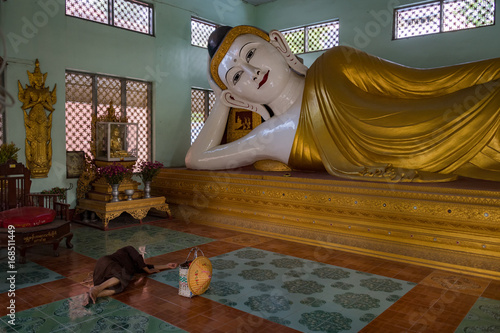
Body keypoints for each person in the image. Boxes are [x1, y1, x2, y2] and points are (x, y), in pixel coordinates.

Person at [185, 25, 500, 183]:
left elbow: (423, 85)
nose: (252, 73)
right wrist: (222, 100)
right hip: (447, 138)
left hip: (437, 114)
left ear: (278, 45)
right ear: (238, 95)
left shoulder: (336, 62)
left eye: (251, 54)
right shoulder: (270, 135)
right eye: (237, 76)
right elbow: (196, 159)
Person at [85, 246, 178, 305]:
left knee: (119, 287)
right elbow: (141, 261)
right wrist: (148, 271)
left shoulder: (135, 266)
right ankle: (97, 289)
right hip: (107, 262)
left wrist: (167, 266)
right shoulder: (129, 249)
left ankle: (93, 294)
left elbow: (147, 266)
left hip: (107, 270)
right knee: (123, 277)